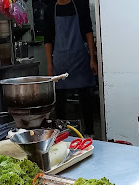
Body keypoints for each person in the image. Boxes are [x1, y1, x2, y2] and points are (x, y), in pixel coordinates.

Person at [44, 0, 97, 135]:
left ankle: (89, 133)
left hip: (80, 59)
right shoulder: (50, 9)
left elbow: (88, 31)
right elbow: (48, 40)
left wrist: (92, 58)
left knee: (86, 98)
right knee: (60, 102)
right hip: (61, 61)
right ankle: (63, 134)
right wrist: (50, 66)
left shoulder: (80, 4)